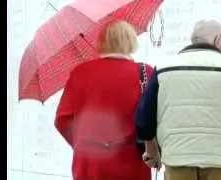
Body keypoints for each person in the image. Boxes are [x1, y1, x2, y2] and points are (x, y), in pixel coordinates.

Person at [135, 19, 221, 180]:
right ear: (218, 40)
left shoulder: (163, 68)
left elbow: (144, 117)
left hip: (177, 160)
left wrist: (151, 150)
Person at [54, 20, 154, 180]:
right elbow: (154, 118)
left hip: (89, 162)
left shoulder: (80, 72)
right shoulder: (145, 72)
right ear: (131, 41)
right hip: (131, 160)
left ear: (101, 42)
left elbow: (62, 120)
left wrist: (84, 143)